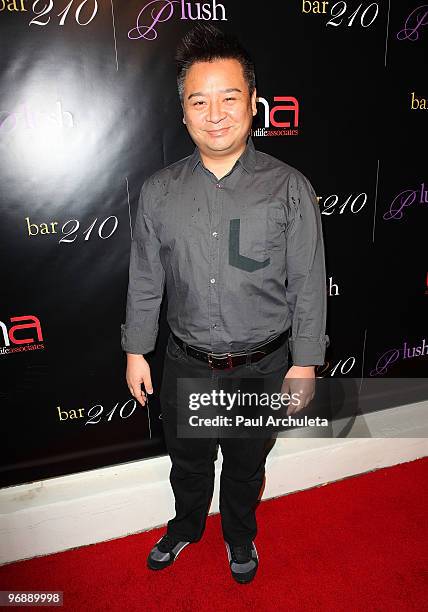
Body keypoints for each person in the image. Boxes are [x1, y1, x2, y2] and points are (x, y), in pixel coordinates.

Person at [121, 23, 329, 584]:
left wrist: (304, 362)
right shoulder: (158, 192)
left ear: (254, 104)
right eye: (200, 101)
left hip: (263, 368)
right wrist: (138, 350)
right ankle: (187, 525)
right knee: (187, 463)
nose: (215, 114)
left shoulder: (289, 188)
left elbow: (309, 280)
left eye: (229, 98)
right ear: (184, 112)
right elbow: (145, 278)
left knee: (244, 466)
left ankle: (240, 536)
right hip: (186, 363)